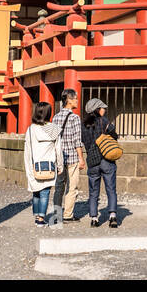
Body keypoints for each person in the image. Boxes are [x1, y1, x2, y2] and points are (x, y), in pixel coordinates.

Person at [82, 97, 119, 228]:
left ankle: (93, 218)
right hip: (106, 159)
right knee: (111, 189)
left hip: (92, 161)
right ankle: (113, 216)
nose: (104, 110)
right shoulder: (104, 122)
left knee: (93, 191)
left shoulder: (84, 125)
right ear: (97, 109)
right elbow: (115, 136)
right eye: (103, 108)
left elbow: (84, 142)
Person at [23, 102, 61, 226]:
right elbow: (58, 149)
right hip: (49, 166)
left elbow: (27, 150)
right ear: (48, 113)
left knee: (36, 192)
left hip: (35, 165)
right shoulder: (54, 128)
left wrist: (28, 168)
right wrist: (60, 165)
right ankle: (41, 219)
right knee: (45, 192)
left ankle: (36, 216)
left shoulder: (31, 129)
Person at [51, 89, 85, 222]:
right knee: (72, 187)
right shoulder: (75, 118)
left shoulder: (55, 117)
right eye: (75, 98)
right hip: (71, 157)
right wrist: (81, 158)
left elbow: (53, 138)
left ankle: (56, 215)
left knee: (59, 186)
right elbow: (77, 140)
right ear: (69, 100)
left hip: (59, 158)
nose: (77, 100)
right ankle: (68, 215)